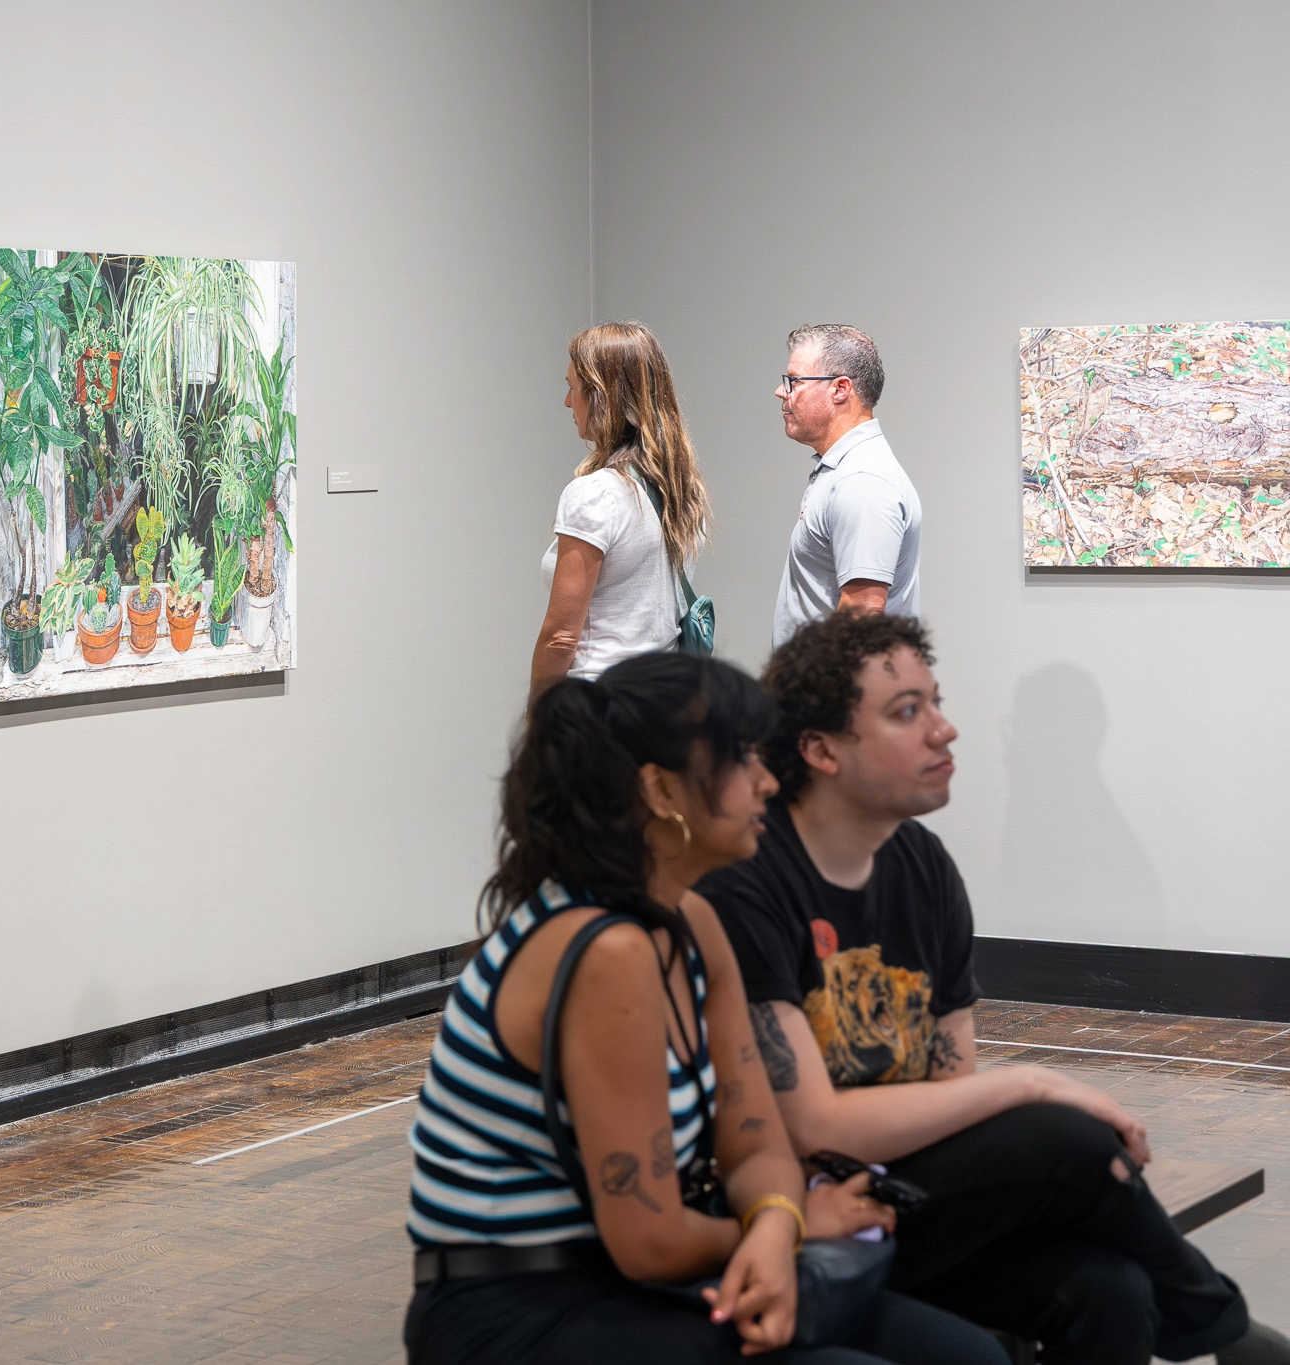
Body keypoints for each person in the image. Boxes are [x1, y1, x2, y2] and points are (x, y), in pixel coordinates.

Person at [698, 611, 1289, 1365]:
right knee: (1067, 1138)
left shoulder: (924, 867)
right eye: (906, 712)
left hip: (903, 1191)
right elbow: (816, 1127)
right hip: (803, 1210)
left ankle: (1209, 1323)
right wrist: (1030, 1083)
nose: (944, 730)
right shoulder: (749, 881)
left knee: (1113, 1292)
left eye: (935, 703)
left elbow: (950, 1094)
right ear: (821, 750)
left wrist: (1012, 1113)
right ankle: (1218, 1325)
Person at [404, 652, 1009, 1364]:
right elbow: (649, 1241)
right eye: (742, 759)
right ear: (661, 790)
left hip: (638, 1276)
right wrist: (788, 1228)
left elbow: (756, 1145)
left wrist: (775, 1226)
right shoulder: (607, 950)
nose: (768, 781)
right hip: (520, 1310)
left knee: (968, 1355)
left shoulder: (693, 921)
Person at [530, 322, 711, 698]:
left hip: (600, 703)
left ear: (601, 396)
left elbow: (561, 638)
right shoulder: (681, 488)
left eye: (573, 388)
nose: (567, 402)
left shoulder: (596, 493)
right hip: (663, 697)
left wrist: (539, 714)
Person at [771, 324, 920, 648]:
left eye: (795, 381)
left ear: (840, 389)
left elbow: (863, 612)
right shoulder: (846, 471)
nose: (781, 391)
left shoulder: (862, 481)